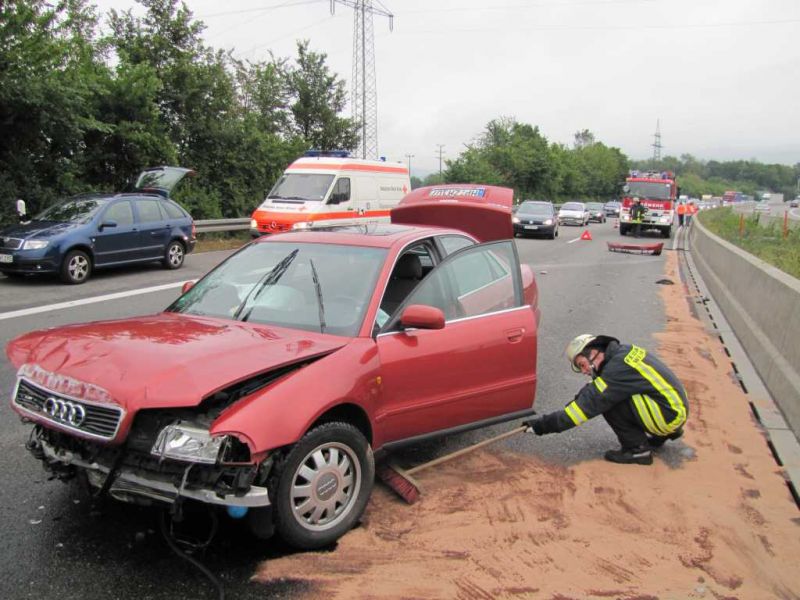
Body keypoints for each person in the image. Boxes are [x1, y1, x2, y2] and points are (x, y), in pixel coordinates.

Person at [523, 334, 689, 465]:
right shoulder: (622, 353)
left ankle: (638, 450)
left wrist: (540, 426)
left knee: (607, 402)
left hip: (668, 416)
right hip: (674, 408)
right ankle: (662, 436)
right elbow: (590, 392)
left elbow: (583, 409)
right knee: (604, 395)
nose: (584, 371)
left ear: (593, 352)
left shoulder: (614, 372)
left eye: (582, 364)